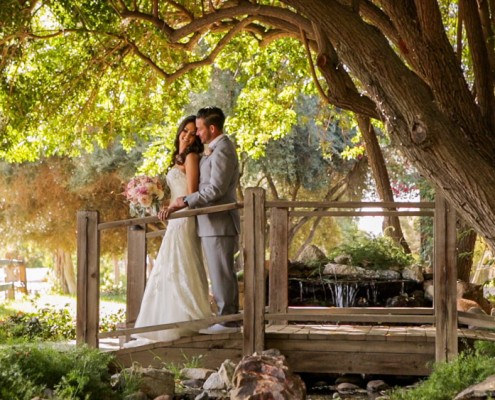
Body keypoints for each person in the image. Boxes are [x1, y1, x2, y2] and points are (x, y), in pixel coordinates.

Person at [124, 115, 212, 347]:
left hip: (184, 219)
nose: (188, 135)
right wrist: (159, 203)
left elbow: (191, 193)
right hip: (175, 218)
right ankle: (165, 319)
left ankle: (187, 319)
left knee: (181, 264)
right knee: (168, 267)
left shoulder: (192, 157)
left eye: (193, 132)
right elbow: (176, 194)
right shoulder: (177, 158)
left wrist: (174, 206)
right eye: (185, 130)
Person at [167, 106, 241, 334]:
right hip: (209, 223)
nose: (197, 133)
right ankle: (226, 318)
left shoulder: (223, 150)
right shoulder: (214, 149)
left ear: (212, 128)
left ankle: (228, 321)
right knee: (218, 273)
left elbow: (215, 189)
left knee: (222, 273)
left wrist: (186, 200)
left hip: (219, 222)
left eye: (199, 129)